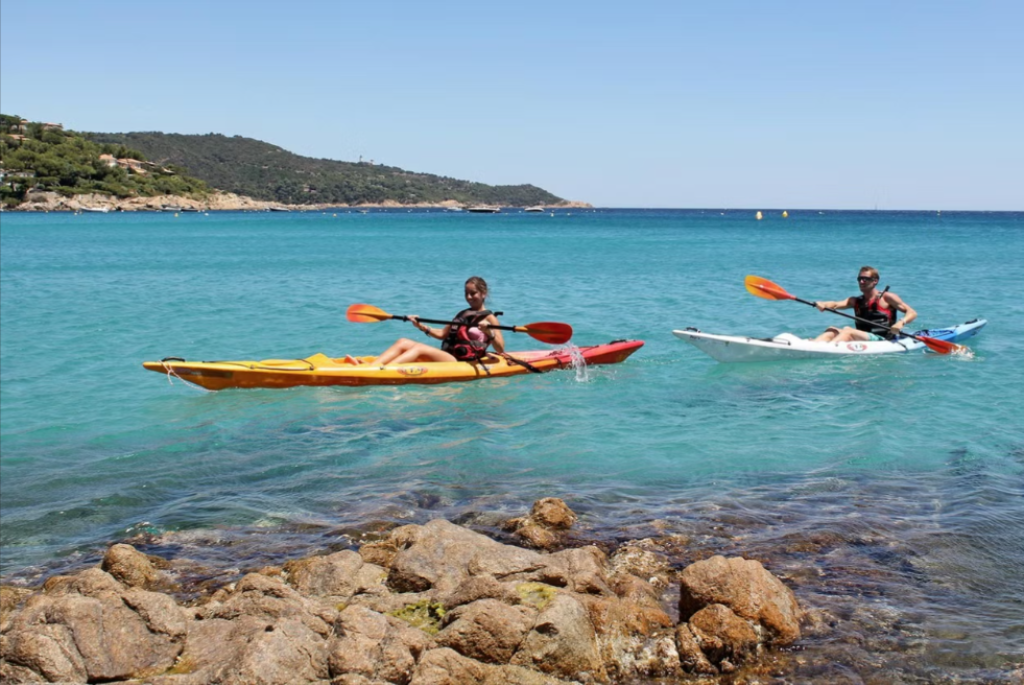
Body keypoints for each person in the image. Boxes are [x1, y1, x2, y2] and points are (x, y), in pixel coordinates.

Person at [358, 276, 505, 365]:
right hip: (451, 356)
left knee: (419, 349)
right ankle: (372, 366)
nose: (468, 297)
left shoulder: (490, 318)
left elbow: (500, 349)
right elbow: (442, 334)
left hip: (465, 361)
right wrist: (420, 326)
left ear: (483, 293)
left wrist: (489, 332)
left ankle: (384, 370)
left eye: (473, 293)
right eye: (466, 293)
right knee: (403, 342)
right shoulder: (463, 314)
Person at [812, 266, 917, 343]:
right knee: (832, 330)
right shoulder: (855, 300)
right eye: (859, 279)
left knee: (847, 331)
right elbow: (835, 304)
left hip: (882, 339)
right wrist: (822, 304)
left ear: (875, 281)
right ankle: (813, 346)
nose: (861, 282)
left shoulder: (887, 297)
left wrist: (900, 323)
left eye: (865, 279)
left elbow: (912, 312)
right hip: (862, 337)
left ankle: (829, 348)